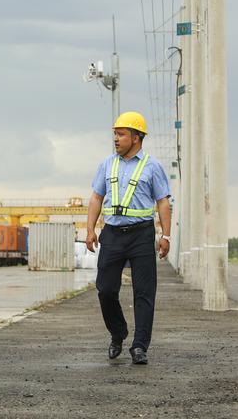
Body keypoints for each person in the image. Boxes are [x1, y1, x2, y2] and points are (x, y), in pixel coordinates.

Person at [85, 111, 172, 365]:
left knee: (144, 293)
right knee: (105, 289)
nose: (116, 138)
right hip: (111, 234)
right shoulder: (106, 164)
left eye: (121, 134)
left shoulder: (152, 166)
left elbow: (163, 202)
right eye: (115, 133)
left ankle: (139, 346)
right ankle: (118, 333)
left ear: (136, 138)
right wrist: (90, 229)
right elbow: (96, 198)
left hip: (142, 235)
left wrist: (165, 235)